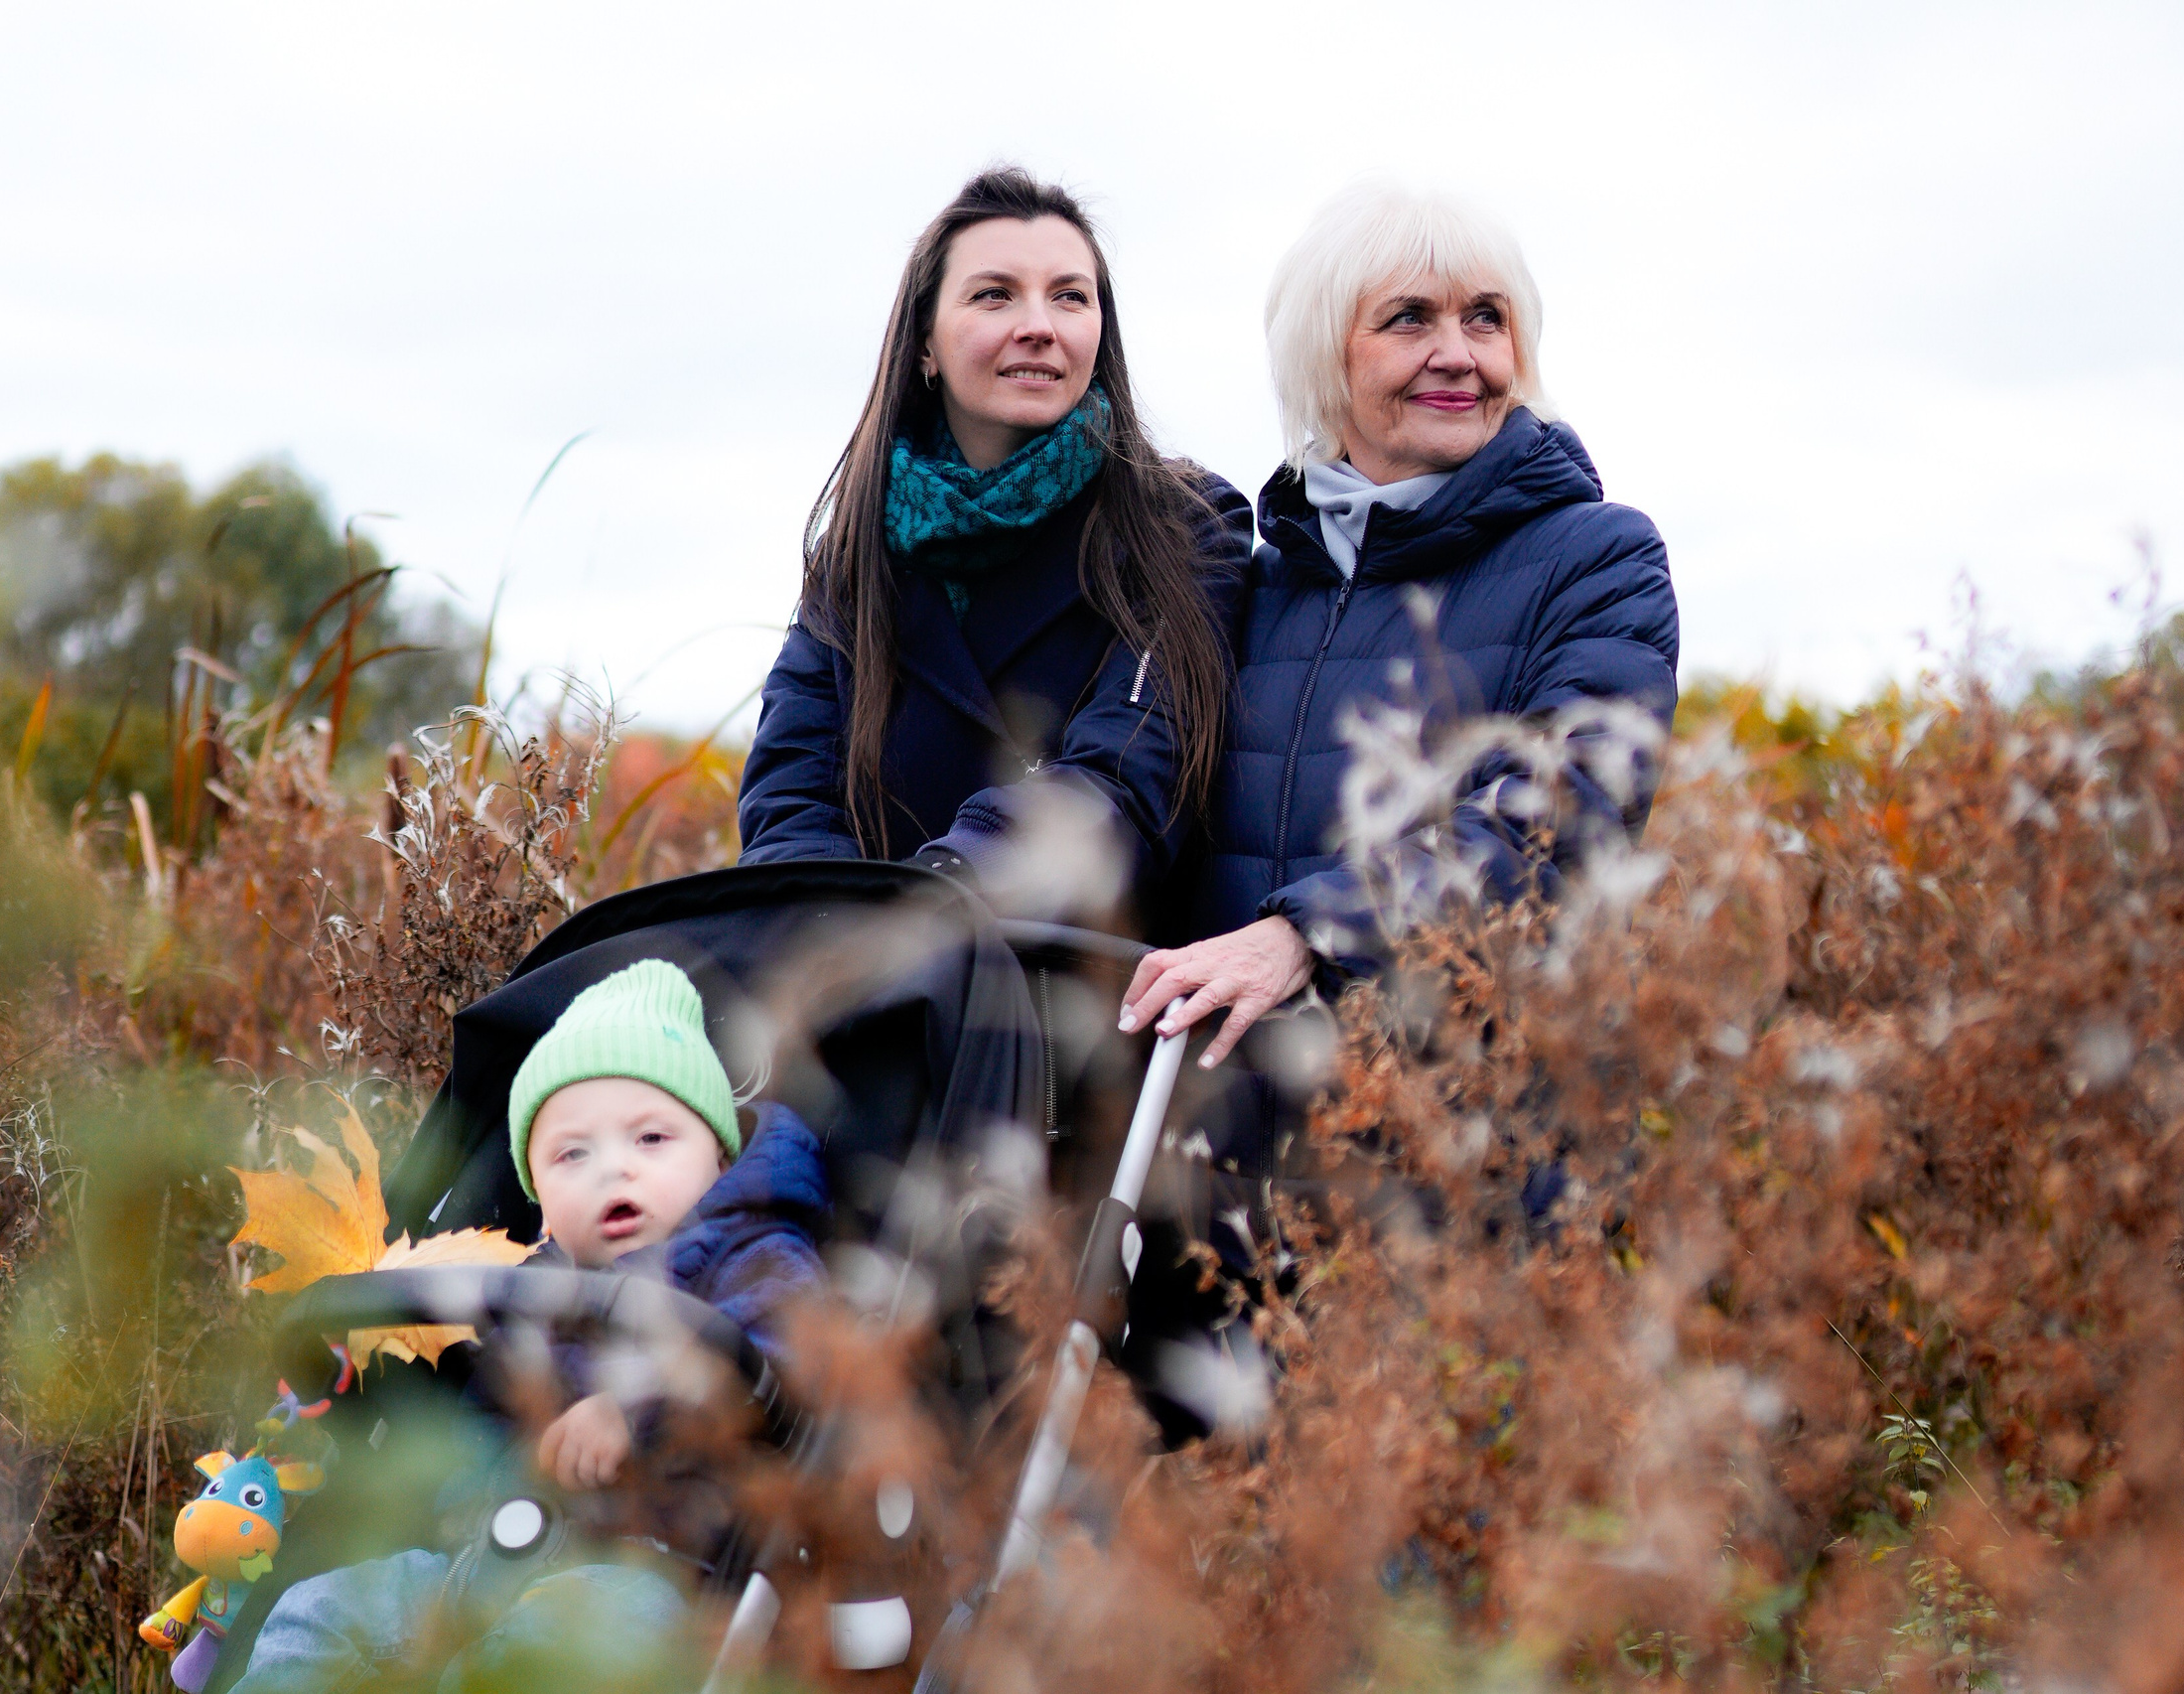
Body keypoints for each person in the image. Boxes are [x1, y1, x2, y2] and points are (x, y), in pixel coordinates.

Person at [1120, 181, 1680, 1066]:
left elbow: (1560, 823)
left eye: (1486, 319)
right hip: (1228, 1128)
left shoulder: (1599, 559)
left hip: (1471, 1132)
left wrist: (1310, 932)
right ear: (1324, 356)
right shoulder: (1251, 588)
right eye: (1410, 319)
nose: (1457, 354)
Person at [227, 959, 825, 1694]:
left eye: (651, 1140)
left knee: (544, 1653)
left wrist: (641, 1412)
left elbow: (790, 1372)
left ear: (720, 1153)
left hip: (649, 1578)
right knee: (318, 1609)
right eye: (574, 1153)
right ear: (537, 1195)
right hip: (482, 1562)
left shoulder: (754, 1257)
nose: (613, 1170)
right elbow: (482, 1427)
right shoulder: (522, 1292)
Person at [737, 167, 1250, 931]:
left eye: (1069, 296)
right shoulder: (856, 555)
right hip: (865, 975)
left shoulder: (1186, 527)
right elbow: (789, 800)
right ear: (925, 345)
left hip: (1075, 984)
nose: (1039, 324)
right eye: (994, 295)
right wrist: (840, 940)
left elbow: (1127, 780)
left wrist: (937, 893)